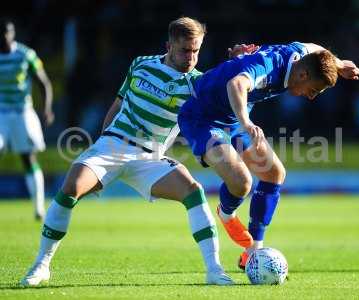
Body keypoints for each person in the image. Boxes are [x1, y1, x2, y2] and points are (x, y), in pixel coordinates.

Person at [20, 17, 257, 287]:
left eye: (196, 51)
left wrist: (238, 64)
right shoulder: (141, 64)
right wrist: (103, 141)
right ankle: (42, 265)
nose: (191, 57)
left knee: (194, 192)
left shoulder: (198, 85)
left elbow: (229, 90)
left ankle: (214, 271)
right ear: (169, 46)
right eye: (185, 50)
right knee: (70, 187)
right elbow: (118, 104)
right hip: (112, 145)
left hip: (150, 157)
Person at [178, 42, 359, 269]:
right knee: (242, 182)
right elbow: (235, 83)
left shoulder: (301, 58)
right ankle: (226, 214)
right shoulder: (268, 66)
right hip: (203, 117)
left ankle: (253, 252)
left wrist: (339, 63)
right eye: (313, 90)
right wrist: (246, 122)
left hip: (233, 118)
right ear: (303, 74)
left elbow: (314, 48)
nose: (311, 97)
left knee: (274, 173)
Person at [0, 19, 54, 221]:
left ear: (13, 33)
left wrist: (47, 108)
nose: (4, 37)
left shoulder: (25, 54)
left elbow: (44, 82)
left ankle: (39, 207)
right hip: (1, 112)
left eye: (7, 32)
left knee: (27, 157)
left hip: (22, 111)